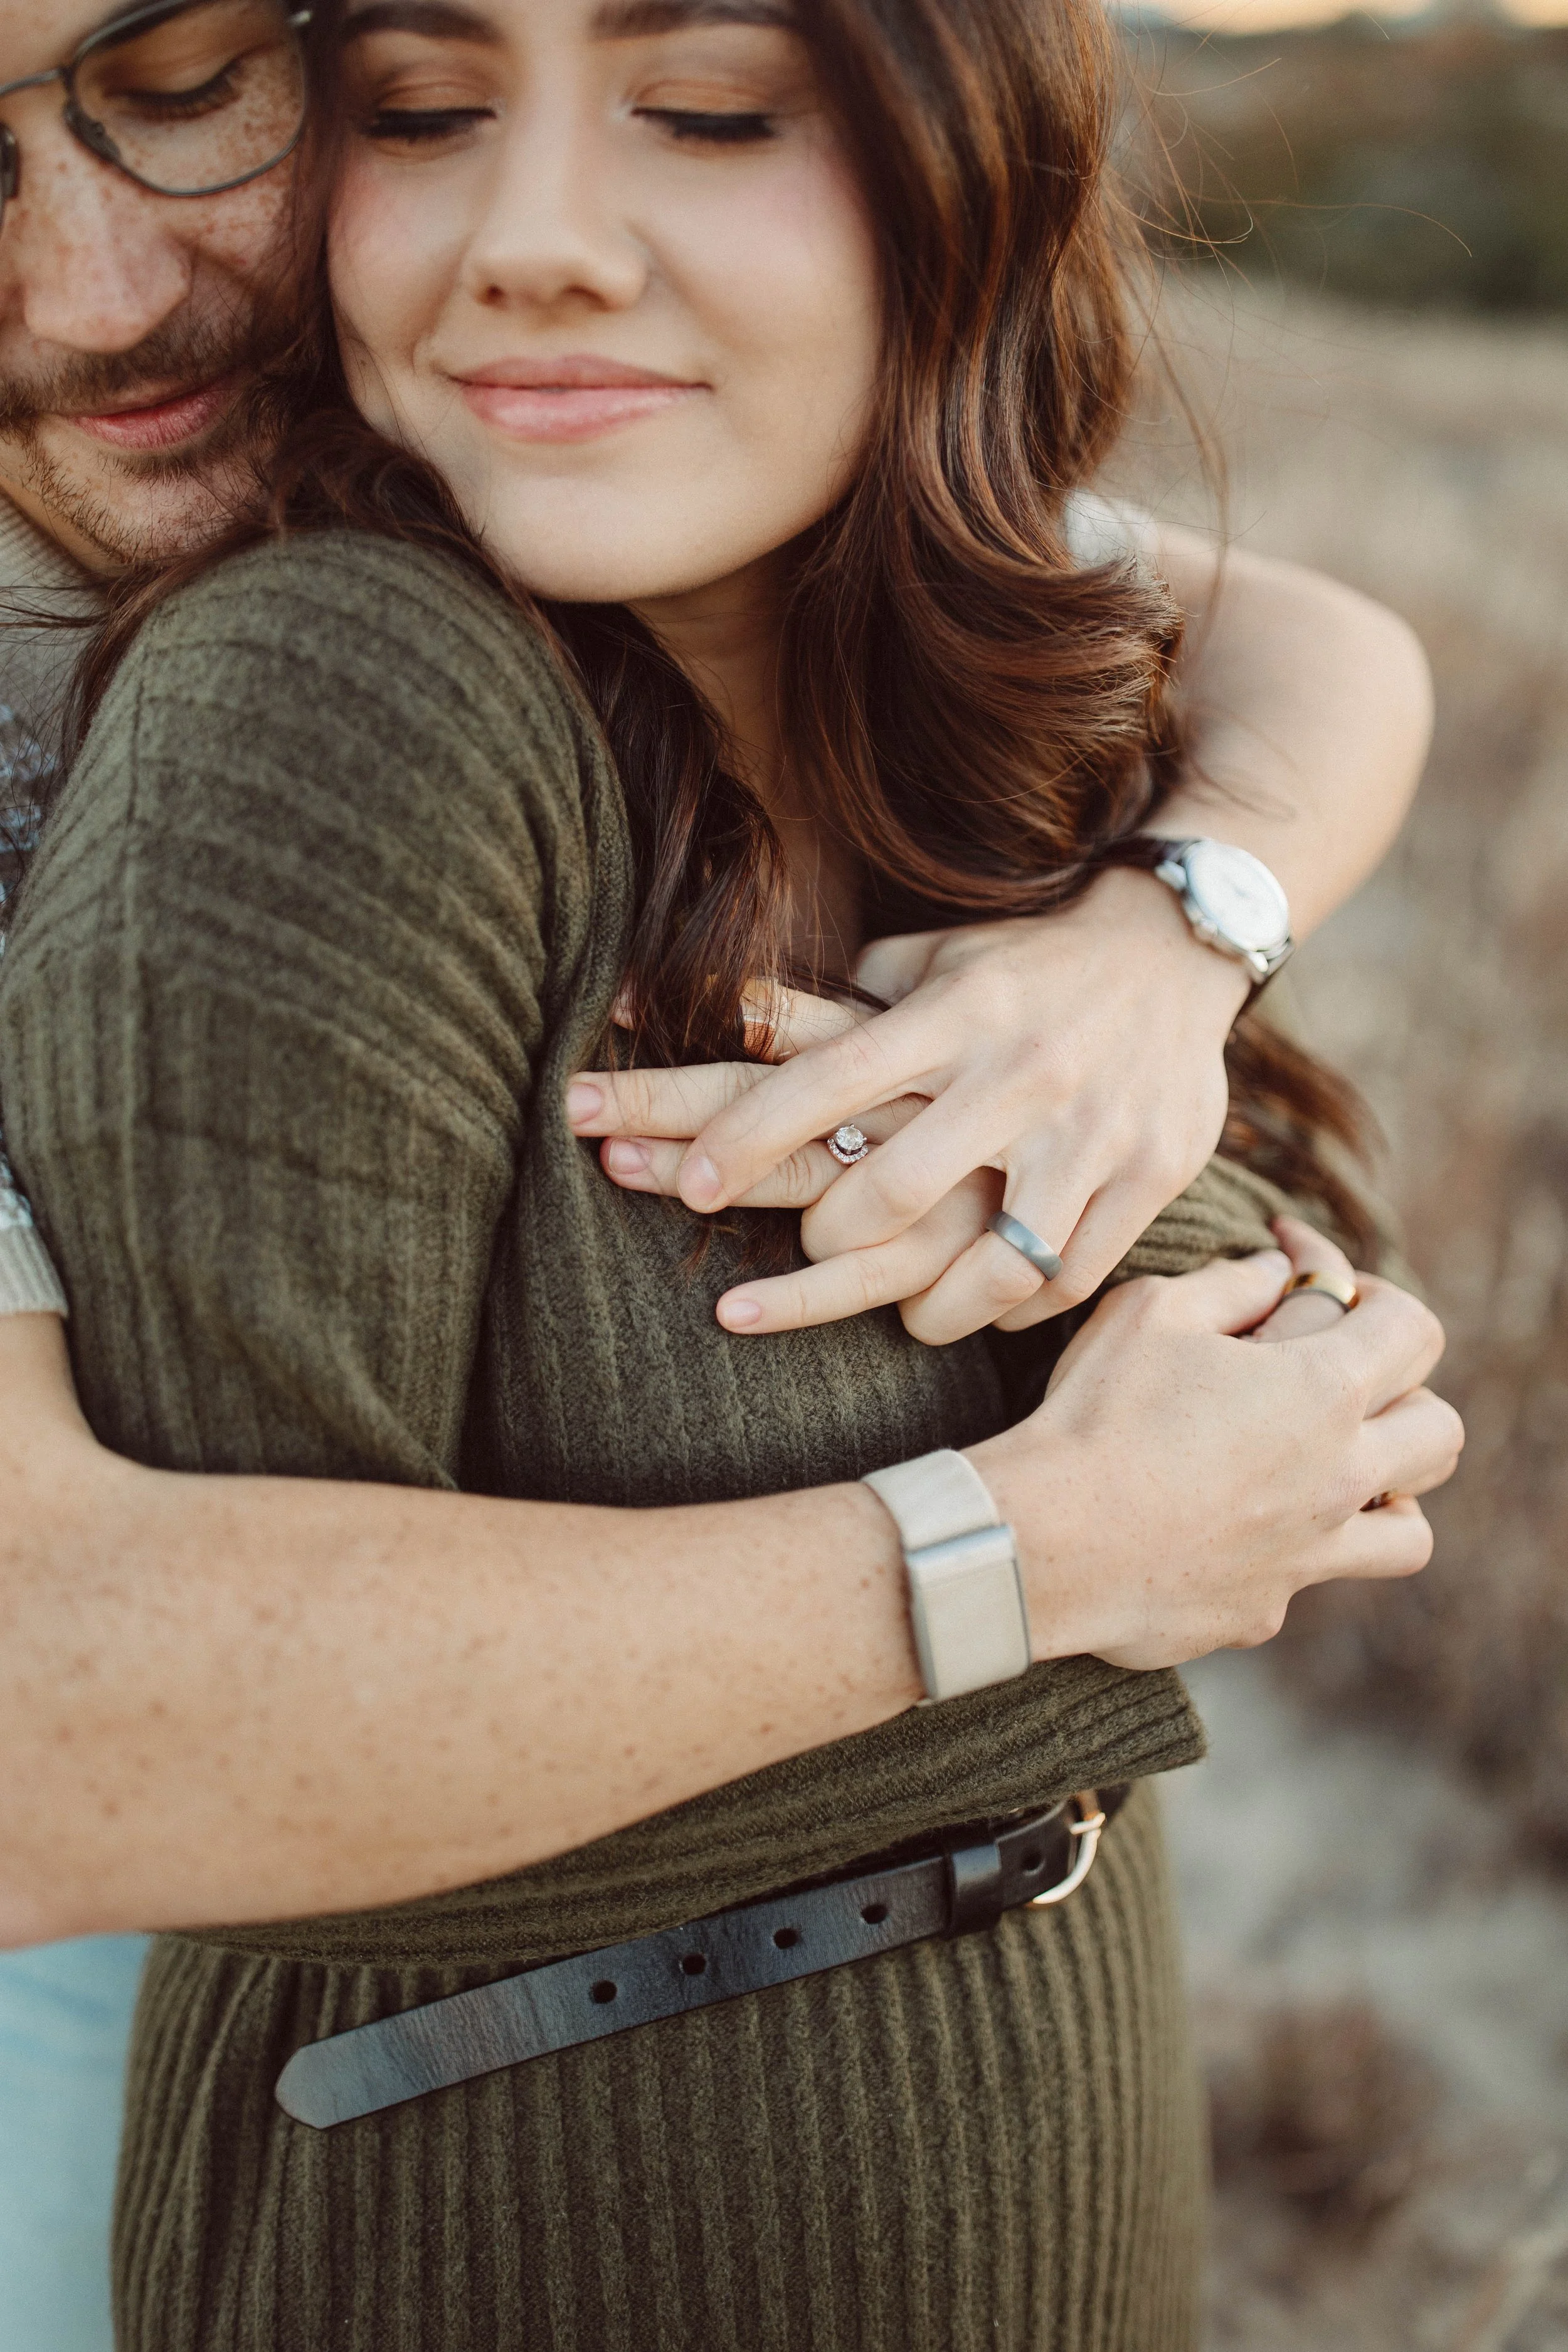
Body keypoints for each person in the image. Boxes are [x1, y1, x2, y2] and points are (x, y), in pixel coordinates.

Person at [0, 0, 1462, 2342]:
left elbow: (1304, 645)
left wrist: (1160, 941)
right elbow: (65, 1742)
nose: (93, 284)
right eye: (437, 114)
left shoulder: (712, 542)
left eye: (177, 93)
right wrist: (1072, 1553)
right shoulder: (341, 684)